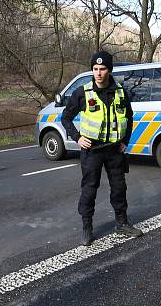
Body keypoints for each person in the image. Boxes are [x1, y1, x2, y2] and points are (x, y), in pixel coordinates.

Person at [61, 50, 143, 246]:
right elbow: (66, 117)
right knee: (89, 189)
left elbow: (129, 118)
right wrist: (78, 137)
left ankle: (122, 223)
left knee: (119, 187)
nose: (98, 73)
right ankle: (87, 227)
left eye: (102, 69)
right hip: (92, 151)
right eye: (95, 69)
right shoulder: (83, 92)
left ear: (109, 70)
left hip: (115, 150)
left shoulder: (121, 92)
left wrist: (126, 141)